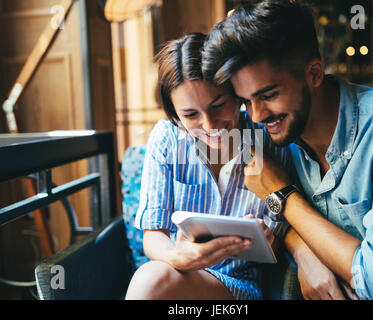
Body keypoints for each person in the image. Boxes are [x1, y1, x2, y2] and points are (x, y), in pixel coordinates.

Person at [202, 0, 373, 300]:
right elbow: (181, 125)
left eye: (268, 95)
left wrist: (282, 195)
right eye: (245, 101)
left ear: (314, 74)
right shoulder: (267, 132)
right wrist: (303, 253)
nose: (257, 115)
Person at [124, 32, 291, 300]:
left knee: (150, 281)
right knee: (152, 277)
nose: (210, 125)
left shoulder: (267, 138)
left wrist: (271, 239)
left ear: (237, 95)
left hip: (239, 287)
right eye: (190, 115)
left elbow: (283, 234)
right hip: (175, 276)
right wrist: (177, 256)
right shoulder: (167, 137)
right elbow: (153, 234)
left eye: (218, 106)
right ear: (175, 114)